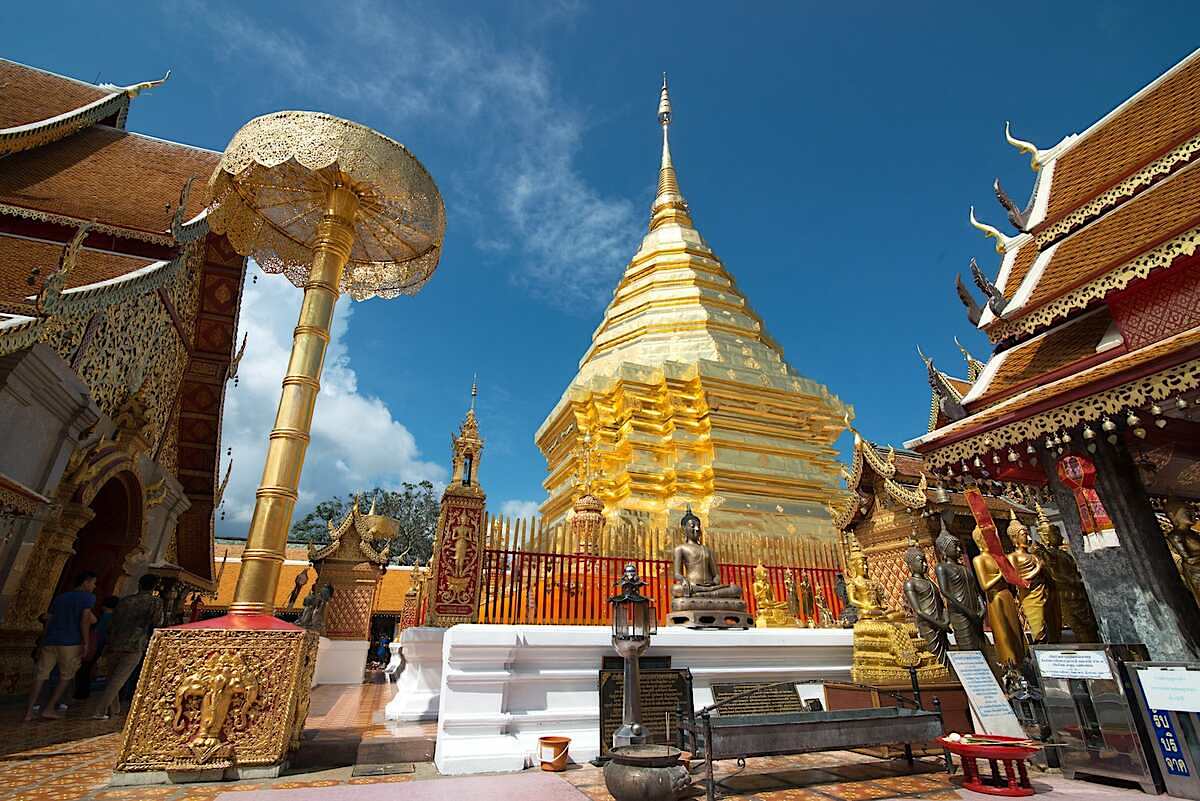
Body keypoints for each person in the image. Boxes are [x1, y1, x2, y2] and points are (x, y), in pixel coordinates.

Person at [25, 571, 97, 721]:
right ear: (86, 582)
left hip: (51, 640)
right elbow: (85, 620)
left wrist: (43, 641)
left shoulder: (60, 598)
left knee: (40, 675)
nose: (94, 586)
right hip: (71, 642)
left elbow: (49, 619)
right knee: (66, 676)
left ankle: (29, 711)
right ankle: (50, 708)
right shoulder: (87, 598)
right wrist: (86, 642)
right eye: (93, 583)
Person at [91, 574, 164, 720]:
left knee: (113, 678)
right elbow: (158, 622)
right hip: (134, 644)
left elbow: (113, 623)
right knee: (118, 680)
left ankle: (115, 708)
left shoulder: (125, 601)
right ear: (155, 586)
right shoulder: (154, 602)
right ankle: (100, 710)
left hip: (115, 642)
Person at [73, 595, 118, 700]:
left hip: (95, 646)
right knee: (88, 669)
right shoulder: (114, 618)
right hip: (101, 646)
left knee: (84, 669)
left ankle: (81, 692)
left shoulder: (104, 617)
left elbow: (97, 633)